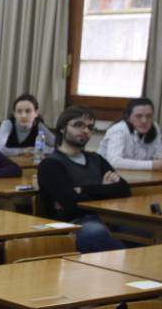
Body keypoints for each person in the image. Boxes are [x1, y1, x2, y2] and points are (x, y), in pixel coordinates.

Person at [37, 106, 129, 252]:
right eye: (78, 125)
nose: (85, 131)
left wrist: (87, 190)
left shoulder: (96, 159)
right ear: (62, 128)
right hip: (72, 224)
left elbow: (124, 189)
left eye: (90, 127)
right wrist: (105, 189)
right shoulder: (51, 164)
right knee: (96, 232)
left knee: (140, 230)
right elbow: (71, 204)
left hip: (105, 217)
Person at [99, 97, 162, 171]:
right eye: (138, 116)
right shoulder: (119, 130)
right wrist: (151, 165)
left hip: (139, 175)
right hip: (108, 175)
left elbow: (160, 154)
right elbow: (114, 161)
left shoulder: (154, 127)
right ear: (128, 117)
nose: (144, 121)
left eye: (149, 116)